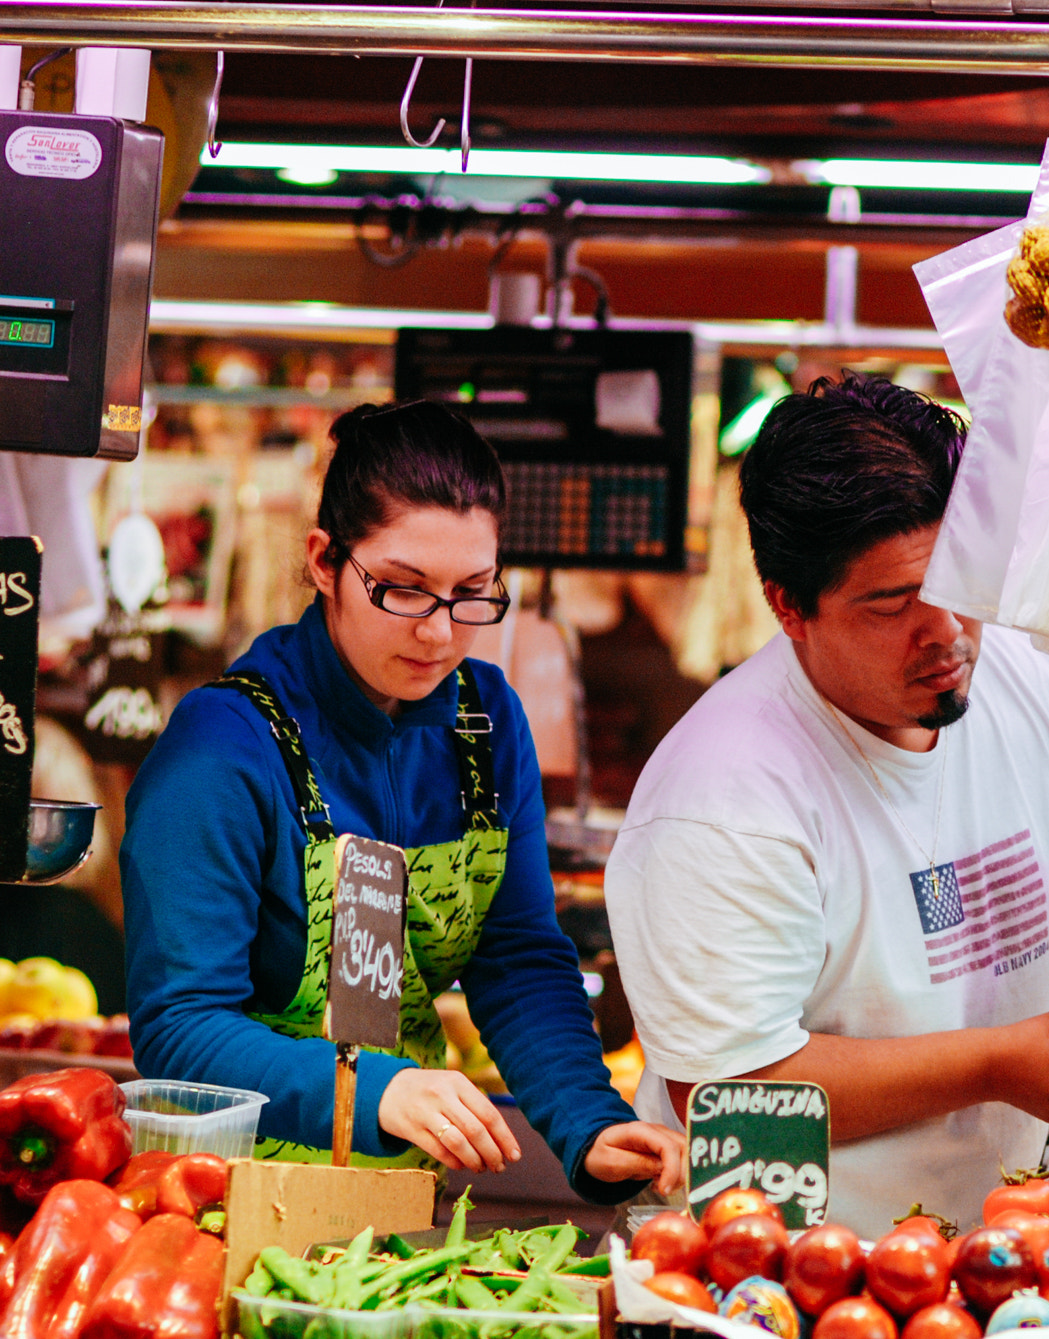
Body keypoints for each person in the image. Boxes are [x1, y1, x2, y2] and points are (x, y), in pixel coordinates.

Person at [605, 373, 1049, 1231]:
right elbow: (729, 1088)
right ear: (789, 606)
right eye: (892, 602)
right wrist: (1008, 1060)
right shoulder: (722, 795)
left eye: (960, 580)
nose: (946, 632)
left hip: (993, 1249)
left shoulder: (1028, 672)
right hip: (781, 1272)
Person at [122, 401, 682, 1202]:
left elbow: (516, 955)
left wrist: (588, 1120)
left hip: (405, 1206)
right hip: (221, 1203)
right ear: (324, 560)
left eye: (473, 592)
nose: (439, 633)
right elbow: (180, 1027)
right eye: (405, 590)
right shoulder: (221, 751)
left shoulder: (487, 725)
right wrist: (373, 1089)